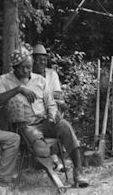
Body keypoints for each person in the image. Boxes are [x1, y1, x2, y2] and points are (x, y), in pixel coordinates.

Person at [0, 44, 89, 188]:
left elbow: (51, 103)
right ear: (14, 67)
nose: (26, 71)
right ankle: (55, 178)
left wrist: (52, 115)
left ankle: (78, 173)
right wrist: (18, 90)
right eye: (22, 67)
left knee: (66, 127)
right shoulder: (4, 80)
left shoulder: (40, 80)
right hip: (25, 125)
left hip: (44, 120)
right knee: (42, 149)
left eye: (29, 67)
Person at [32, 44, 65, 172]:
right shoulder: (29, 76)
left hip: (51, 109)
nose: (42, 62)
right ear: (33, 60)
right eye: (39, 59)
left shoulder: (52, 74)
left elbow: (58, 95)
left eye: (44, 59)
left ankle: (55, 159)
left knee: (57, 113)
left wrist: (46, 96)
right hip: (37, 113)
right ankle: (55, 160)